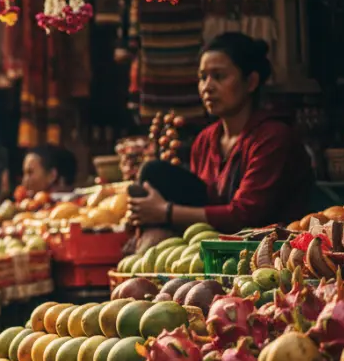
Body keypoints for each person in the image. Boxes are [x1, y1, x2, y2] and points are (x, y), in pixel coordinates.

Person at [129, 33, 313, 233]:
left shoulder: (273, 136)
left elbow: (245, 215)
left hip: (270, 249)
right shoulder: (205, 140)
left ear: (251, 82)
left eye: (218, 77)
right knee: (153, 173)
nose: (207, 87)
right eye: (202, 78)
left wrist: (166, 212)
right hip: (216, 243)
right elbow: (201, 202)